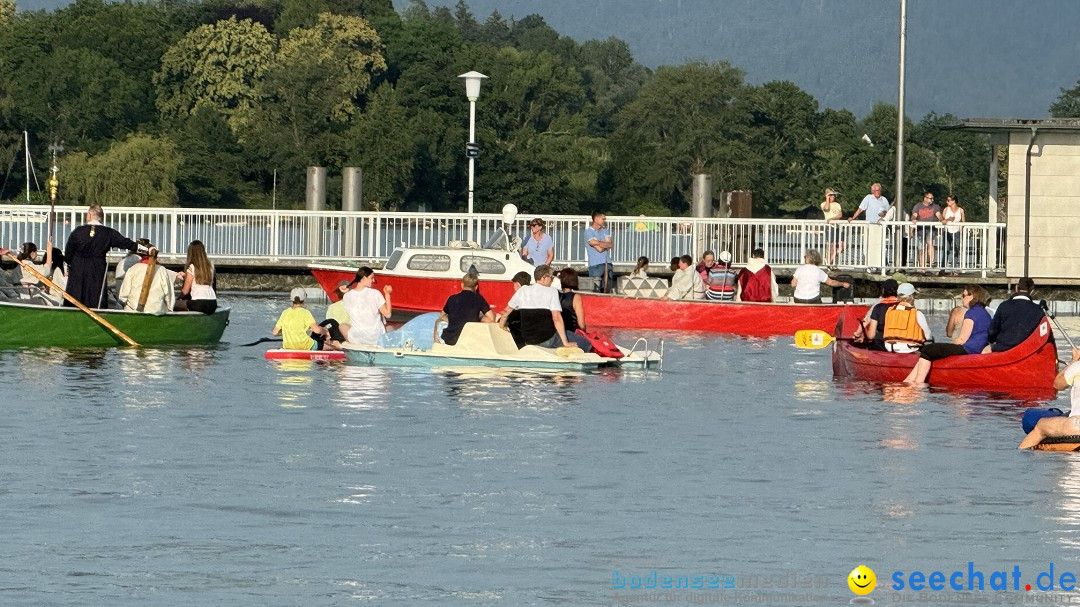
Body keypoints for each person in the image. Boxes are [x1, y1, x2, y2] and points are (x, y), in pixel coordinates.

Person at [903, 285, 991, 384]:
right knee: (934, 349)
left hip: (968, 349)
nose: (962, 298)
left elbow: (962, 339)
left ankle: (918, 383)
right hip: (978, 349)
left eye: (963, 295)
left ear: (972, 297)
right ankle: (909, 380)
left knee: (928, 349)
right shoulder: (986, 314)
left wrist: (949, 347)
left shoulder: (971, 313)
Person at [64, 205, 148, 308]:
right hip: (97, 270)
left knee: (74, 300)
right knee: (95, 300)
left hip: (78, 271)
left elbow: (68, 256)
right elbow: (126, 243)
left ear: (90, 215)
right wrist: (146, 250)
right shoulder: (109, 233)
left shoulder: (77, 232)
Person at [497, 265, 574, 349]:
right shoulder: (552, 291)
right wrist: (565, 342)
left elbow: (506, 312)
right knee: (583, 343)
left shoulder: (523, 290)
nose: (552, 281)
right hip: (547, 339)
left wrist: (501, 326)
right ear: (544, 278)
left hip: (528, 340)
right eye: (551, 278)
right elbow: (557, 318)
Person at [1019, 347, 1080, 449]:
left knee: (1040, 426)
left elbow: (1057, 384)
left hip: (1076, 425)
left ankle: (1020, 452)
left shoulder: (1077, 367)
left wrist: (1073, 361)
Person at [987, 277, 1045, 352]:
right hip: (1027, 351)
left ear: (1016, 288)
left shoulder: (1004, 306)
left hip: (1004, 349)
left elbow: (992, 332)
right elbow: (1042, 335)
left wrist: (992, 341)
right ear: (1032, 291)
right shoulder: (1038, 310)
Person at [436, 273, 495, 346]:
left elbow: (442, 316)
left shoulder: (452, 298)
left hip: (450, 339)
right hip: (469, 338)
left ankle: (436, 346)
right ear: (476, 287)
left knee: (438, 321)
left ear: (462, 285)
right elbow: (491, 318)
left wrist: (453, 321)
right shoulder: (479, 298)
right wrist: (477, 321)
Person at [118, 246, 176, 314]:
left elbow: (123, 296)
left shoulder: (133, 269)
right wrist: (170, 309)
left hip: (133, 311)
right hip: (156, 311)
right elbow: (169, 296)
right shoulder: (162, 270)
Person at [342, 266, 393, 345]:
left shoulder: (346, 296)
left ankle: (352, 347)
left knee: (342, 326)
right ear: (364, 278)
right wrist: (387, 294)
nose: (373, 281)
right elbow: (388, 314)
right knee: (391, 328)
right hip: (376, 339)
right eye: (372, 278)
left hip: (358, 340)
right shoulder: (375, 293)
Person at [881, 282, 932, 353]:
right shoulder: (917, 313)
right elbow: (928, 336)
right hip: (909, 348)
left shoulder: (889, 311)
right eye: (914, 295)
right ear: (911, 297)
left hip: (889, 347)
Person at [852, 279, 899, 351]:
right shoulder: (905, 306)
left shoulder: (878, 306)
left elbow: (868, 326)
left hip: (881, 344)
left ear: (883, 291)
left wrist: (857, 334)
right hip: (901, 343)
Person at [556, 268, 594, 351]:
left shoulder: (556, 295)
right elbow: (581, 323)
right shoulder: (576, 297)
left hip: (557, 333)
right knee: (590, 345)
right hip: (571, 333)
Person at [176, 240, 217, 314]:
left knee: (174, 304)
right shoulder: (211, 265)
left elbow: (185, 291)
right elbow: (201, 276)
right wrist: (186, 275)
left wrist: (178, 299)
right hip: (213, 303)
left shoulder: (191, 267)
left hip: (198, 304)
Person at [910, 191, 943, 269]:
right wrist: (914, 219)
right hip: (920, 229)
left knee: (929, 241)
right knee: (921, 248)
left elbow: (939, 215)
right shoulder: (918, 206)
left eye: (932, 198)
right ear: (925, 198)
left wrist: (942, 220)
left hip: (931, 229)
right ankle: (922, 266)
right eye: (930, 198)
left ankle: (932, 262)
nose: (932, 200)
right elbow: (914, 215)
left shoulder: (935, 206)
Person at [585, 211, 613, 292]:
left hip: (607, 263)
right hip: (595, 264)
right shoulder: (588, 232)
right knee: (596, 289)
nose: (604, 220)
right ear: (596, 219)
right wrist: (604, 244)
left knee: (608, 289)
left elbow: (610, 244)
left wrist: (598, 242)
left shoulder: (605, 231)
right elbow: (598, 249)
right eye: (603, 219)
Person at [319, 280, 351, 346]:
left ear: (338, 293)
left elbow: (328, 324)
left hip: (337, 337)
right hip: (350, 337)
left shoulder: (332, 307)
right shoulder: (356, 307)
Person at [820, 188, 844, 265]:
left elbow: (840, 215)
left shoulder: (837, 204)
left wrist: (832, 218)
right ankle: (830, 263)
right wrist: (827, 198)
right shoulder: (823, 204)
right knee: (832, 246)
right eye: (831, 195)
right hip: (830, 227)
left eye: (833, 195)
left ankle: (829, 260)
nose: (833, 196)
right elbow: (826, 209)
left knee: (841, 246)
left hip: (838, 227)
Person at [941, 195, 965, 271]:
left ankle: (954, 269)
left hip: (956, 232)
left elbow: (963, 222)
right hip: (947, 231)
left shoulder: (960, 210)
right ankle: (942, 269)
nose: (947, 202)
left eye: (948, 200)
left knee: (956, 250)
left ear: (953, 201)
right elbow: (942, 221)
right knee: (946, 249)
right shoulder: (946, 209)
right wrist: (948, 219)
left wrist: (960, 228)